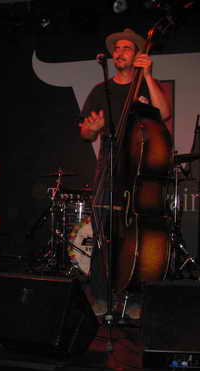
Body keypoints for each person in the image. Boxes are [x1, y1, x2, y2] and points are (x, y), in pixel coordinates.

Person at [78, 28, 171, 316]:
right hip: (109, 165)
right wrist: (91, 129)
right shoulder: (101, 91)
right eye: (116, 48)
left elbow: (164, 113)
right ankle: (101, 296)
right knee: (103, 232)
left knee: (138, 236)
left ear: (138, 55)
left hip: (139, 170)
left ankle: (137, 297)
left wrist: (149, 76)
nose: (119, 53)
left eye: (126, 48)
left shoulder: (146, 87)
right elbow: (84, 132)